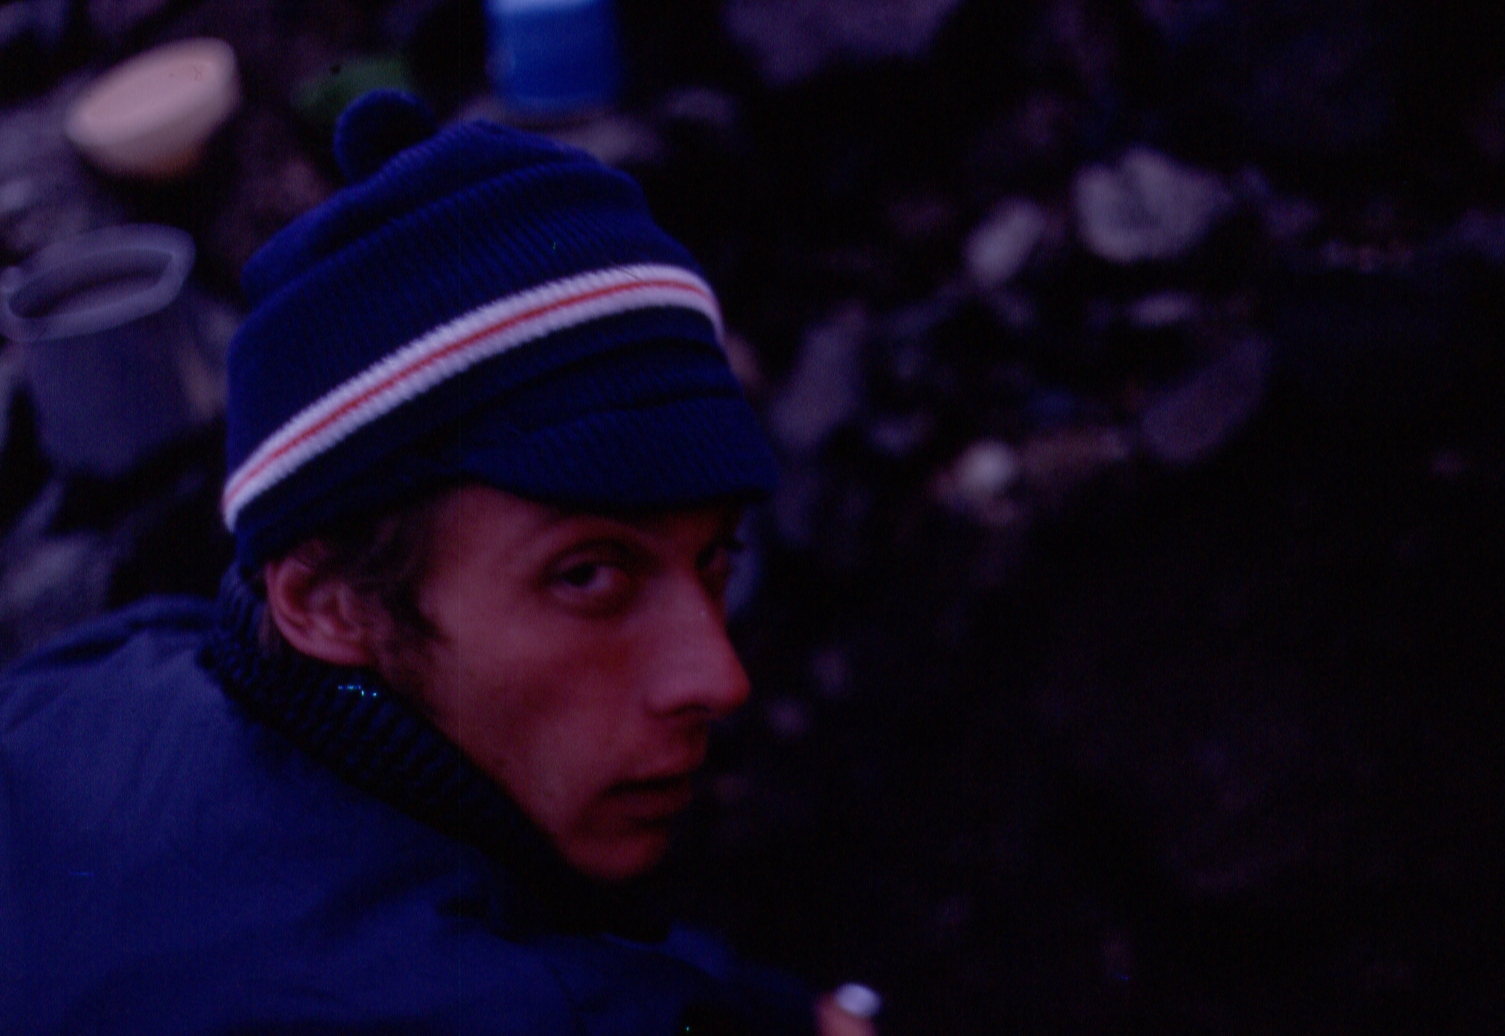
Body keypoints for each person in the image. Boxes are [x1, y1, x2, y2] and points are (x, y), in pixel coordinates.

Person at [0, 91, 874, 1036]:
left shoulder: (110, 672)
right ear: (328, 600)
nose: (720, 677)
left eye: (714, 557)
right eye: (588, 575)